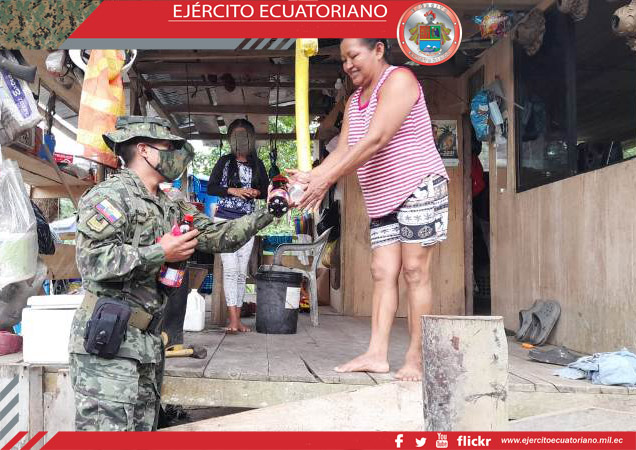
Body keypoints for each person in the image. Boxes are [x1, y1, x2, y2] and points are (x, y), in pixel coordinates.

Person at [69, 116, 274, 431]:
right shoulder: (110, 196)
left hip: (147, 342)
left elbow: (218, 236)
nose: (175, 155)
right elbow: (91, 261)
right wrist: (160, 252)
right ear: (144, 150)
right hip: (109, 341)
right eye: (168, 147)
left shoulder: (171, 204)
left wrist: (270, 210)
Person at [289, 39, 449, 382]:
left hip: (419, 184)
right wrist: (312, 177)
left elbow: (376, 139)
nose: (348, 65)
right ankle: (377, 354)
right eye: (343, 59)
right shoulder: (354, 101)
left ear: (378, 50)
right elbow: (343, 149)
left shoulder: (400, 80)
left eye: (353, 56)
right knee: (381, 271)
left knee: (414, 271)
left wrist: (327, 179)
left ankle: (416, 358)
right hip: (382, 195)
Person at [207, 119, 269, 332]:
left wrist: (255, 192)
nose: (241, 140)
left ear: (251, 139)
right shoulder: (224, 162)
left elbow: (266, 191)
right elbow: (211, 188)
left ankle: (237, 319)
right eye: (237, 135)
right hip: (224, 221)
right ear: (231, 139)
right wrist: (234, 190)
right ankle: (233, 320)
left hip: (247, 222)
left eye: (244, 136)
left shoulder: (257, 164)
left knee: (242, 272)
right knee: (231, 270)